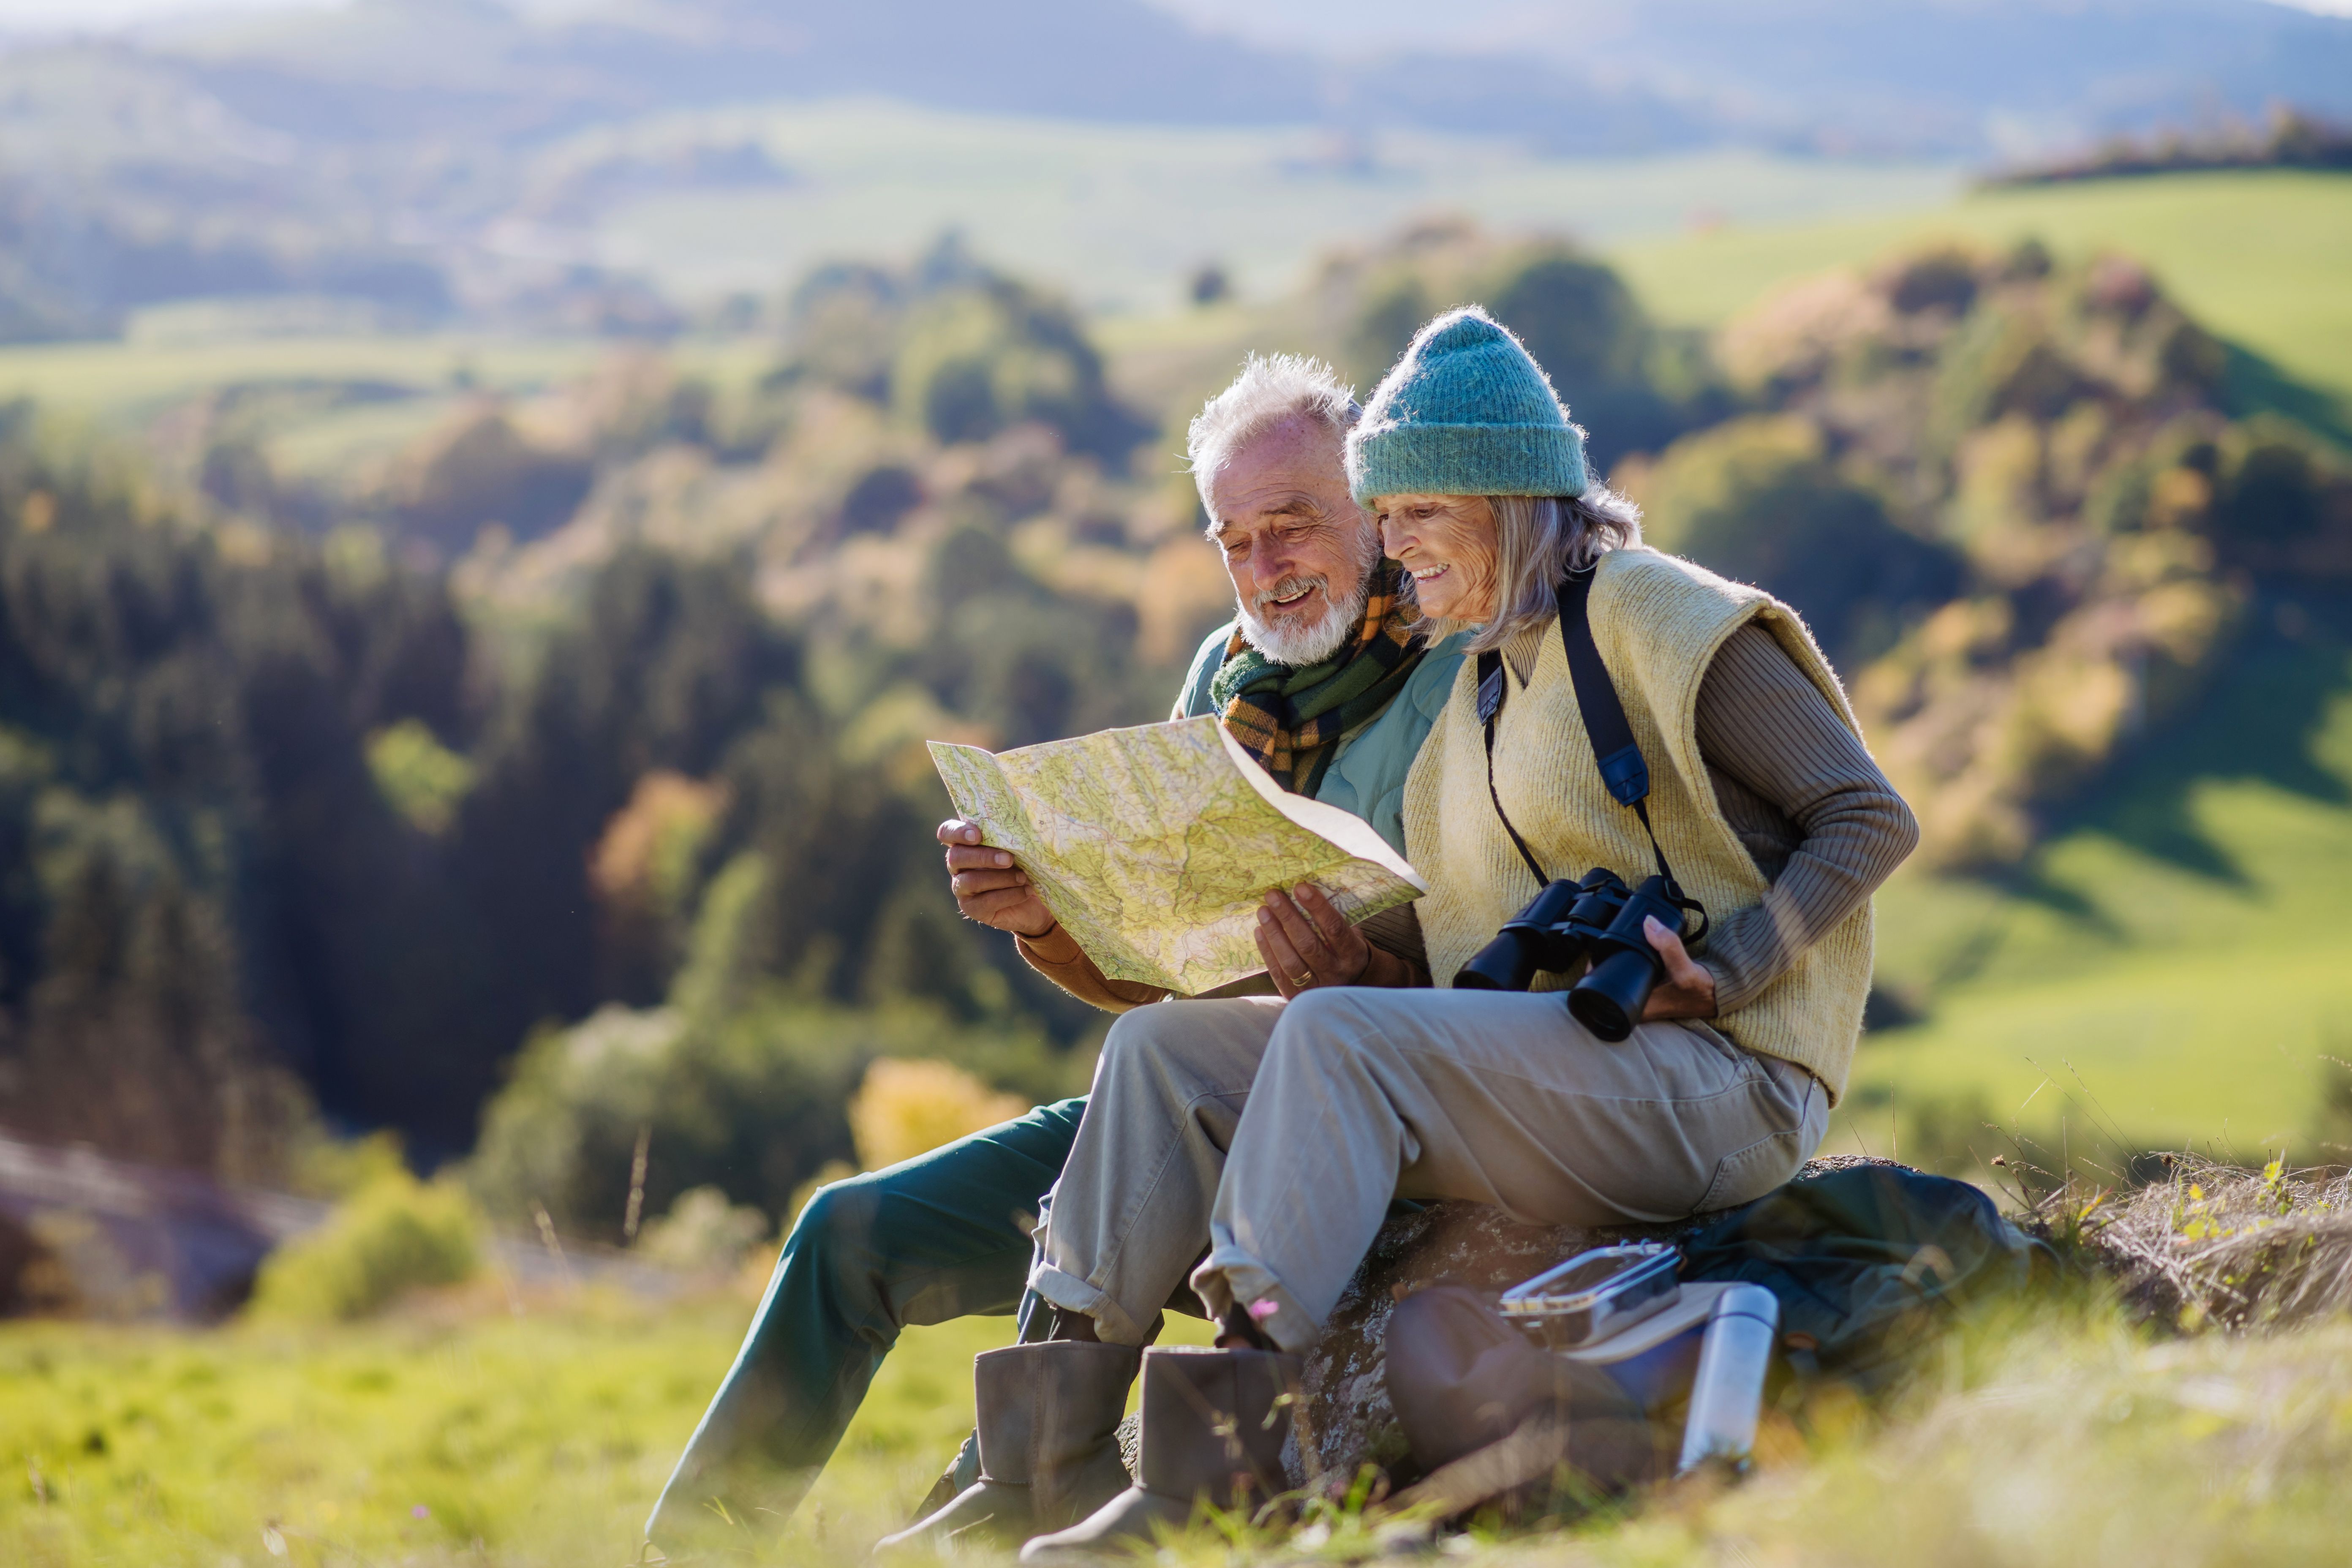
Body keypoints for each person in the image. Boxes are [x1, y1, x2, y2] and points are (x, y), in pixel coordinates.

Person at [1004, 307, 1922, 1561]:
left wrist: (1734, 970)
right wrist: (1358, 969)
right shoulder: (1483, 687)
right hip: (1577, 1067)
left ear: (1501, 496)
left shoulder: (1656, 614)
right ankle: (1036, 1456)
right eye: (1380, 520)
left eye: (1413, 516)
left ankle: (1212, 1468)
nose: (1389, 550)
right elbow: (1447, 981)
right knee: (1172, 1054)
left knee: (1333, 1038)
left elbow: (1867, 814)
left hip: (1731, 1084)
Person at [643, 354, 1465, 1549]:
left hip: (1357, 1127)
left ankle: (1003, 1510)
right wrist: (1045, 918)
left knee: (1054, 1322)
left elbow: (1504, 987)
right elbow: (1156, 979)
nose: (1263, 568)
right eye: (1233, 541)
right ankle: (693, 1550)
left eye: (1292, 526)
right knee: (848, 1236)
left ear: (1378, 514)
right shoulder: (1227, 687)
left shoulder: (1460, 680)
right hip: (1172, 1105)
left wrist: (1367, 985)